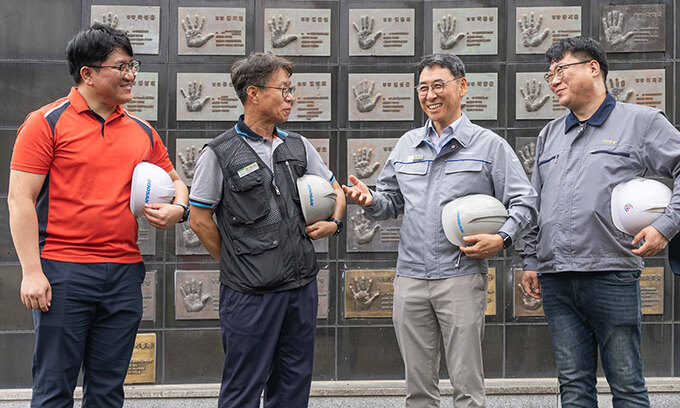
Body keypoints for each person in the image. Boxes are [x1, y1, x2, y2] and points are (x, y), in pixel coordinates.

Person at [8, 23, 188, 407]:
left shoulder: (141, 130)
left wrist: (179, 209)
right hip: (64, 272)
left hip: (124, 273)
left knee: (108, 390)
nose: (131, 75)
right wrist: (32, 272)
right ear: (87, 73)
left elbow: (177, 182)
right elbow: (20, 199)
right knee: (54, 389)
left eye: (132, 66)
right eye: (121, 67)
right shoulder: (45, 122)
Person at [343, 53, 537, 408]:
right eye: (423, 88)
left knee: (467, 388)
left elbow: (524, 201)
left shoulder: (489, 146)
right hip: (410, 278)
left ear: (462, 87)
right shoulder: (407, 144)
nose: (430, 95)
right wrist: (368, 200)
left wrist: (502, 238)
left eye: (438, 85)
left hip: (460, 277)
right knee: (418, 391)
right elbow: (390, 202)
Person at [521, 36, 680, 407]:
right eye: (549, 75)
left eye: (561, 70)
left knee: (626, 385)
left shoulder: (640, 122)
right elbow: (535, 202)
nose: (553, 81)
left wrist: (665, 225)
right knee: (573, 388)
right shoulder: (550, 134)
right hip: (556, 278)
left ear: (593, 68)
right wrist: (530, 260)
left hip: (611, 274)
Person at [188, 52, 345, 408]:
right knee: (243, 389)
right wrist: (238, 263)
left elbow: (336, 191)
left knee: (293, 387)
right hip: (250, 296)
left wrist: (334, 223)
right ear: (253, 93)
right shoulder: (219, 153)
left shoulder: (297, 145)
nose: (291, 97)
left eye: (291, 89)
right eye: (283, 89)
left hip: (300, 289)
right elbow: (199, 219)